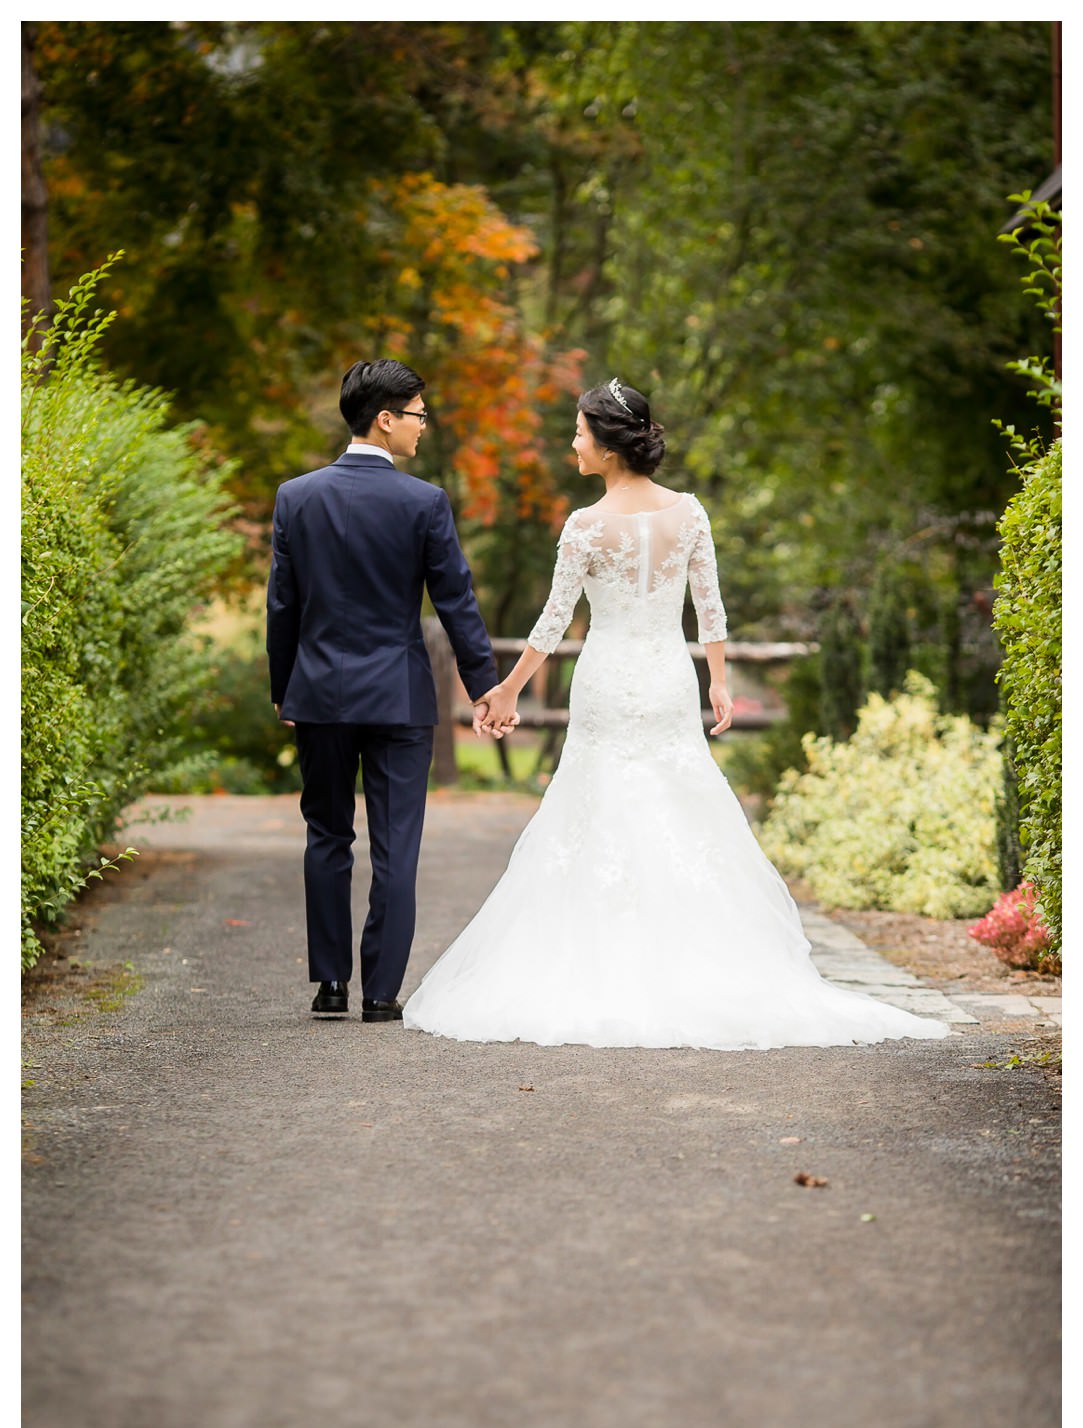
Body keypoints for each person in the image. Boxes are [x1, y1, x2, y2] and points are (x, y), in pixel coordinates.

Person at [403, 378, 951, 1049]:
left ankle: (602, 956)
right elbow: (709, 608)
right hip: (666, 676)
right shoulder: (688, 514)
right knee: (676, 800)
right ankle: (696, 951)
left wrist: (511, 688)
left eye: (578, 432)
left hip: (606, 678)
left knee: (598, 802)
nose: (571, 443)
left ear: (606, 447)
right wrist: (717, 681)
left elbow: (552, 622)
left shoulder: (584, 527)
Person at [267, 357, 507, 1021]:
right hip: (399, 697)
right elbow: (456, 601)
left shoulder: (296, 496)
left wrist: (284, 688)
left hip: (318, 693)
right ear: (384, 418)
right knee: (397, 845)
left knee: (326, 836)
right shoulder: (422, 502)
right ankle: (379, 994)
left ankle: (329, 984)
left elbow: (281, 606)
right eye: (418, 416)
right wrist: (482, 684)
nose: (423, 428)